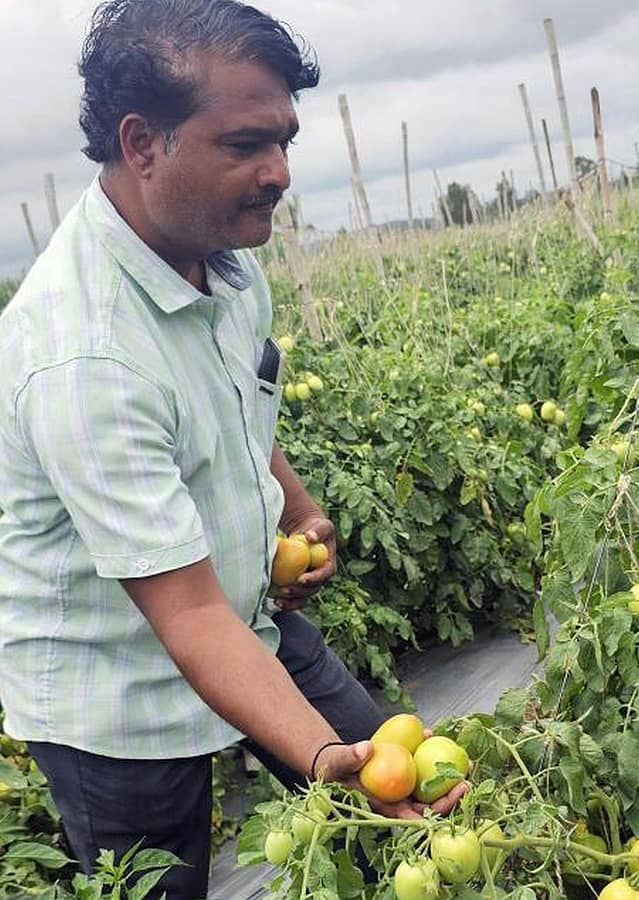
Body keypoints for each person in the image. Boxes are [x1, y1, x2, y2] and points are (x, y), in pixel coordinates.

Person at [0, 1, 464, 897]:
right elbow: (190, 620)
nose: (279, 172)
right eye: (247, 144)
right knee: (159, 885)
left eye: (285, 141)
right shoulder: (85, 353)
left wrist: (296, 510)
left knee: (408, 820)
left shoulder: (221, 260)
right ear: (143, 143)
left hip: (246, 618)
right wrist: (327, 754)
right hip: (115, 693)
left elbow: (240, 411)